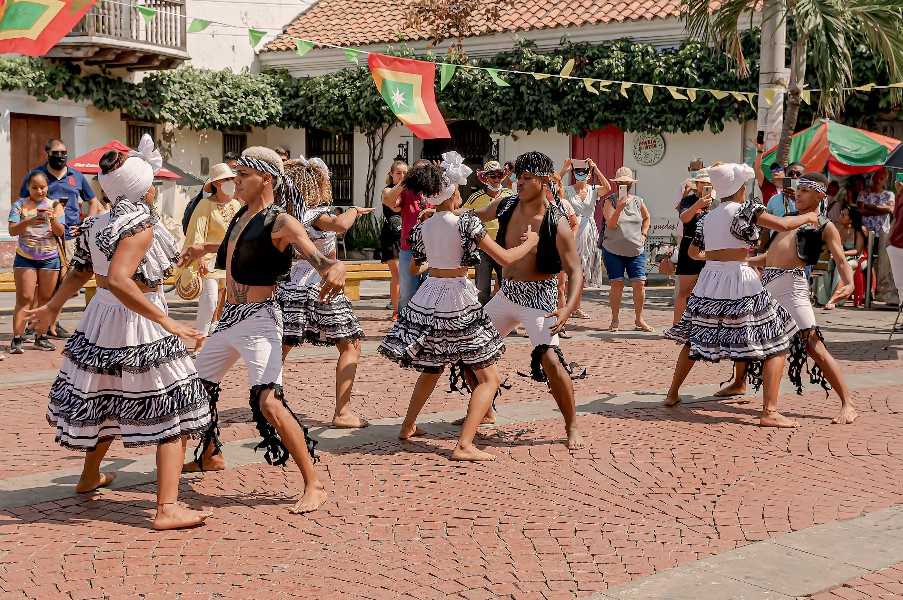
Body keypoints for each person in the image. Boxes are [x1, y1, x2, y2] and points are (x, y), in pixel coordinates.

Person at [27, 135, 212, 530]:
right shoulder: (140, 224)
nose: (154, 190)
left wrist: (54, 306)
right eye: (152, 185)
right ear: (143, 189)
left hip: (102, 318)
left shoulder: (97, 222)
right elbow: (120, 280)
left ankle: (89, 476)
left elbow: (80, 271)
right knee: (173, 404)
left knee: (105, 398)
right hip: (137, 320)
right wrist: (169, 322)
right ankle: (167, 507)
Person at [181, 147, 345, 514]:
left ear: (265, 179)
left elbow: (317, 257)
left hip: (260, 319)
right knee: (195, 388)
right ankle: (210, 453)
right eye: (235, 176)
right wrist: (199, 248)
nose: (235, 182)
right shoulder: (242, 215)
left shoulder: (282, 221)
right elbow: (231, 247)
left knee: (268, 400)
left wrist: (333, 269)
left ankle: (313, 484)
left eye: (243, 176)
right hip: (230, 319)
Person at [379, 153, 538, 461]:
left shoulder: (423, 225)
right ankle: (464, 444)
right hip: (457, 299)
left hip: (429, 296)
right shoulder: (465, 223)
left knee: (432, 366)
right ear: (453, 192)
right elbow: (505, 259)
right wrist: (531, 242)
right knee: (488, 377)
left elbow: (415, 269)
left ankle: (408, 426)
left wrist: (436, 268)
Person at [663, 162, 819, 427]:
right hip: (740, 278)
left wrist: (715, 259)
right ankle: (769, 412)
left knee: (694, 336)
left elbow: (692, 254)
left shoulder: (707, 217)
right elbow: (782, 224)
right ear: (740, 189)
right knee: (776, 339)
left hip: (710, 280)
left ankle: (672, 393)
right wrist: (809, 217)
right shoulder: (746, 210)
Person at [465, 151, 586, 450]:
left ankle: (571, 424)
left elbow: (575, 271)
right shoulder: (506, 204)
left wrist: (568, 309)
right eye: (519, 177)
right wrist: (442, 212)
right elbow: (476, 215)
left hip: (540, 297)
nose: (520, 182)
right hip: (508, 293)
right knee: (467, 345)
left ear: (544, 181)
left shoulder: (555, 222)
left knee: (551, 360)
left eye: (527, 178)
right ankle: (486, 409)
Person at [752, 172, 857, 424]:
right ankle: (761, 402)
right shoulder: (788, 219)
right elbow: (770, 256)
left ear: (820, 194)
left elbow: (841, 259)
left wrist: (850, 282)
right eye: (798, 190)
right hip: (769, 285)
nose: (798, 194)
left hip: (793, 287)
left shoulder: (824, 225)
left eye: (806, 191)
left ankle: (848, 404)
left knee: (813, 346)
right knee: (766, 345)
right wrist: (741, 261)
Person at [277, 158, 371, 429]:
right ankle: (342, 412)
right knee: (350, 344)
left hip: (293, 282)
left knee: (282, 346)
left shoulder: (287, 215)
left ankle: (268, 400)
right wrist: (353, 210)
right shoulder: (315, 215)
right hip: (321, 281)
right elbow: (341, 225)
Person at [20, 139, 102, 340]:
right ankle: (42, 323)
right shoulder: (37, 176)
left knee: (63, 282)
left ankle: (49, 322)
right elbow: (23, 202)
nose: (61, 156)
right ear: (47, 153)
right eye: (56, 152)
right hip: (42, 238)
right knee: (44, 282)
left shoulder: (76, 176)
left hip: (69, 238)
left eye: (64, 152)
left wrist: (86, 225)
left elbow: (93, 201)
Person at [181, 163, 241, 354]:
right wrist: (199, 260)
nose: (230, 183)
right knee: (210, 300)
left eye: (231, 179)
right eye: (226, 180)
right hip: (208, 260)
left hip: (231, 260)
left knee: (230, 301)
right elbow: (197, 234)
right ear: (216, 184)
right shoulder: (205, 205)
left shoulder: (236, 204)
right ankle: (200, 342)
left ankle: (225, 341)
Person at [8, 172, 66, 353]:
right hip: (25, 258)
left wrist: (53, 219)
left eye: (42, 187)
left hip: (49, 259)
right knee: (24, 298)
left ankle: (40, 337)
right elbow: (12, 231)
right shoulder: (19, 205)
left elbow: (60, 232)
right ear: (28, 187)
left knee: (45, 300)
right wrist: (30, 220)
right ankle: (17, 339)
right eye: (35, 187)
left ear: (47, 187)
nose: (39, 191)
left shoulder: (55, 205)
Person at [601, 167, 653, 332]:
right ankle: (615, 320)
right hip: (613, 250)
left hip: (636, 250)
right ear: (617, 184)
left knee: (639, 284)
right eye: (621, 182)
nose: (624, 184)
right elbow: (610, 224)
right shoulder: (610, 201)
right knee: (617, 284)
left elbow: (646, 217)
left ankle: (639, 319)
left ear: (631, 184)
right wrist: (619, 208)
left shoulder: (639, 201)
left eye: (627, 182)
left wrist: (644, 234)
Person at [465, 160, 516, 305]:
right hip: (483, 249)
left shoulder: (510, 194)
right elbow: (465, 216)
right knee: (482, 290)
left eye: (499, 175)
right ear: (485, 177)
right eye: (492, 176)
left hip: (504, 247)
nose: (496, 179)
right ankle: (483, 322)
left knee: (507, 289)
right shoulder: (475, 197)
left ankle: (506, 325)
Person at [559, 157, 611, 297]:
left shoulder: (593, 190)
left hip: (589, 231)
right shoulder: (568, 190)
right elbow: (554, 187)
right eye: (578, 172)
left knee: (583, 270)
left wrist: (595, 168)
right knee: (569, 269)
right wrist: (565, 169)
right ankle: (567, 303)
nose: (581, 174)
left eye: (585, 172)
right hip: (573, 231)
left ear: (589, 174)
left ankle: (576, 306)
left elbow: (608, 188)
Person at [398, 160, 442, 310]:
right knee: (407, 293)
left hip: (433, 248)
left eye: (425, 171)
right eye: (417, 171)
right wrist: (404, 182)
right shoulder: (406, 192)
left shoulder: (438, 191)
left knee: (431, 292)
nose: (421, 175)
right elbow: (390, 202)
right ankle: (404, 327)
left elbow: (455, 205)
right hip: (409, 248)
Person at [673, 168, 712, 325]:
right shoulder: (688, 200)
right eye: (703, 183)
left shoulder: (716, 202)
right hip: (689, 244)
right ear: (697, 184)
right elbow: (684, 218)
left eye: (708, 183)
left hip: (709, 248)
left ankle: (703, 324)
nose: (705, 186)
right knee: (685, 290)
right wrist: (698, 204)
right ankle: (677, 324)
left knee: (709, 291)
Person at [814, 206, 867, 308]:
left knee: (842, 268)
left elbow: (857, 251)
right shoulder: (836, 228)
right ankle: (822, 298)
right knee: (824, 264)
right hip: (836, 256)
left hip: (853, 258)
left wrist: (842, 254)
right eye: (840, 213)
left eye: (843, 215)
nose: (840, 216)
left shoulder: (858, 231)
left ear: (851, 219)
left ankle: (836, 299)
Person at [857, 168, 896, 303]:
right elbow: (861, 210)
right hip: (866, 232)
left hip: (883, 232)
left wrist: (869, 206)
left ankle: (878, 291)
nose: (879, 179)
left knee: (882, 263)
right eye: (877, 176)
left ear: (885, 180)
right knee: (866, 263)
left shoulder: (889, 194)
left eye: (882, 177)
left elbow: (890, 210)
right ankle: (866, 294)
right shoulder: (864, 192)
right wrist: (880, 208)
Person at [380, 160, 408, 319]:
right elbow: (396, 207)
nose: (402, 176)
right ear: (391, 174)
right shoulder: (387, 190)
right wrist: (403, 186)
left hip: (407, 235)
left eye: (405, 173)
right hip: (391, 235)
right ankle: (397, 311)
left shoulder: (410, 191)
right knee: (397, 275)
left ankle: (406, 308)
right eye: (398, 173)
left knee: (407, 275)